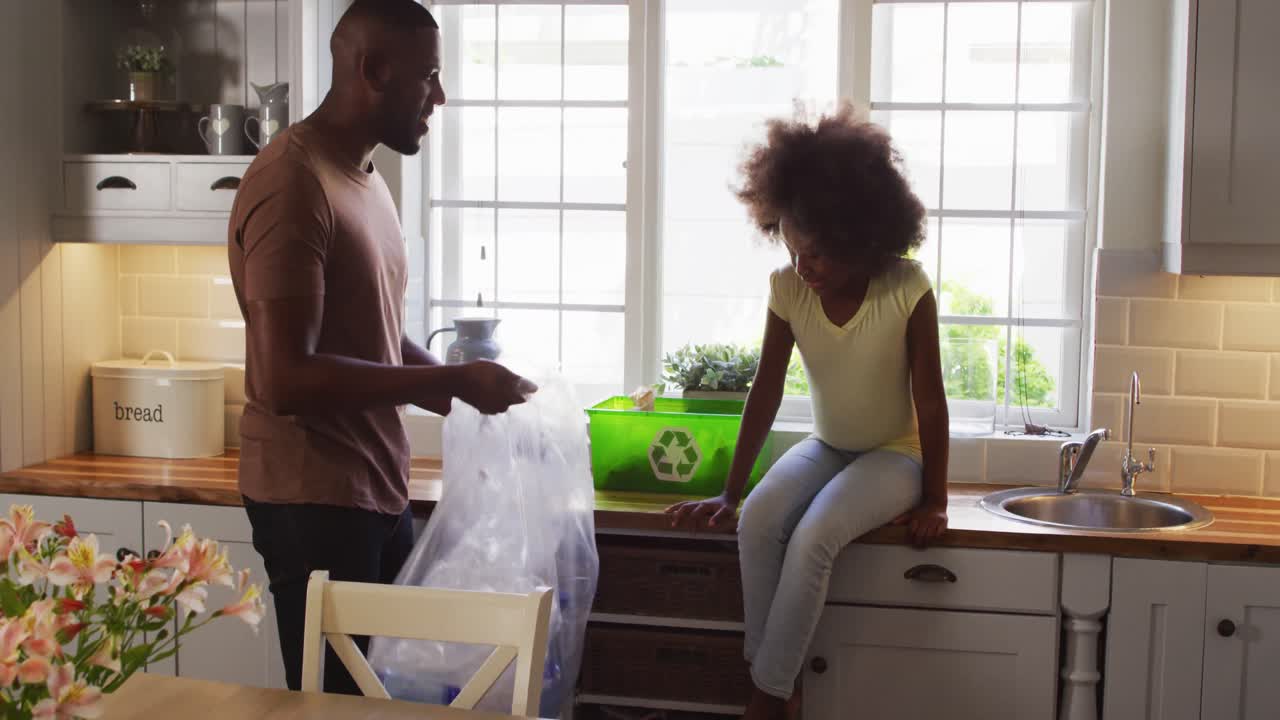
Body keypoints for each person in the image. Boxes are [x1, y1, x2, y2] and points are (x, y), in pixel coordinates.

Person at [227, 0, 535, 694]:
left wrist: (457, 384)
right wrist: (453, 384)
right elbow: (286, 379)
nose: (441, 96)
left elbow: (371, 331)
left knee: (389, 701)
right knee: (338, 707)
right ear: (371, 69)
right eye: (427, 77)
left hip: (371, 489)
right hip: (312, 499)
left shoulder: (361, 178)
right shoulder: (291, 183)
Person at [665, 104, 950, 720]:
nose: (802, 266)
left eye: (816, 253)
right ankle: (780, 683)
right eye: (793, 249)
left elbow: (931, 401)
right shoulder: (788, 289)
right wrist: (729, 492)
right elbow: (765, 389)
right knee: (759, 520)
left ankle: (766, 699)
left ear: (859, 238)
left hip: (895, 457)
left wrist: (936, 499)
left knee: (816, 535)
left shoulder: (907, 288)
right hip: (828, 446)